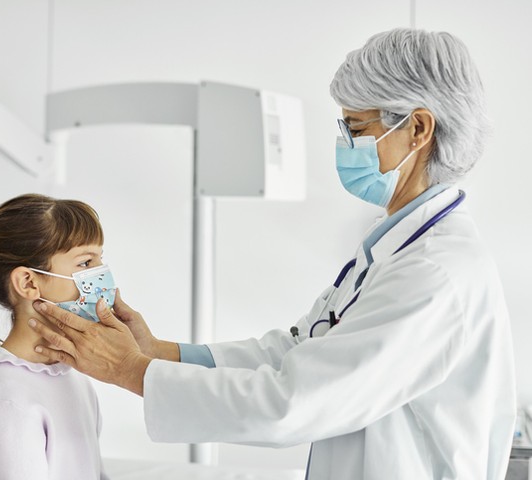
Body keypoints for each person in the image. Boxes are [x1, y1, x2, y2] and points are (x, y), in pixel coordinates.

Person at [28, 28, 516, 479]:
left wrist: (131, 371)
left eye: (355, 128)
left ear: (418, 129)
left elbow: (294, 401)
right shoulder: (396, 251)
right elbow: (297, 353)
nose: (343, 144)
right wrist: (158, 353)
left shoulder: (434, 273)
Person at [0, 193, 112, 480]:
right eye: (85, 263)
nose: (102, 275)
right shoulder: (5, 401)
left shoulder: (72, 376)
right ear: (29, 282)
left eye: (100, 259)